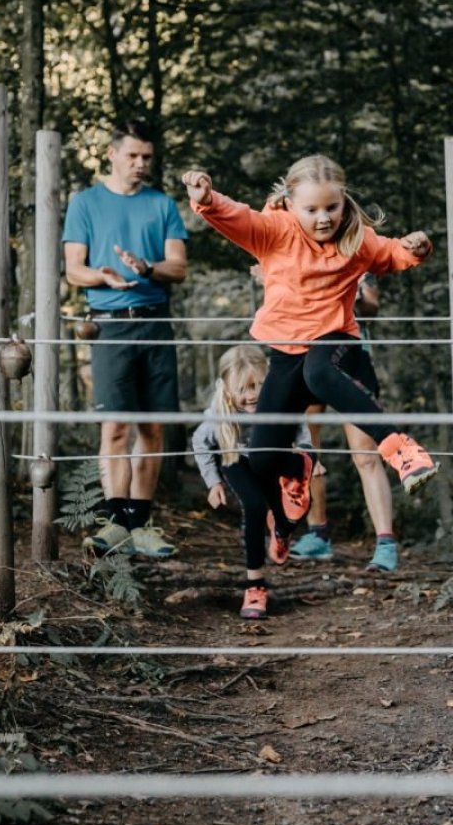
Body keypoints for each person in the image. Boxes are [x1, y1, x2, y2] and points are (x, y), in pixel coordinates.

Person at [180, 154, 439, 568]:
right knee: (262, 456)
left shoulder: (355, 237)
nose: (323, 218)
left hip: (335, 339)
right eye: (312, 209)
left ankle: (400, 448)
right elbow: (238, 217)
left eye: (331, 207)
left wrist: (416, 249)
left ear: (344, 202)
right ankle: (283, 520)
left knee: (320, 372)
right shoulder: (275, 231)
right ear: (290, 203)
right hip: (285, 350)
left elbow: (391, 254)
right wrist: (207, 200)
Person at [63, 119, 188, 555]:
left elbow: (179, 266)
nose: (140, 164)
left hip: (155, 321)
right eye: (132, 155)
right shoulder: (85, 203)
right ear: (112, 154)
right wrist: (102, 275)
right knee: (115, 426)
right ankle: (115, 525)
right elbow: (73, 268)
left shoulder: (162, 205)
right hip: (109, 322)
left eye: (147, 158)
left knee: (153, 427)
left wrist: (146, 268)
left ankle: (142, 526)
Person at [191, 345, 319, 619]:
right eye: (244, 389)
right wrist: (213, 483)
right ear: (227, 388)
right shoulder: (220, 412)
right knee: (254, 507)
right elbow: (200, 442)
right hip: (234, 458)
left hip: (271, 458)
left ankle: (282, 528)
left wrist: (308, 453)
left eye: (259, 385)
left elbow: (299, 425)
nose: (252, 396)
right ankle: (255, 586)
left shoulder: (278, 399)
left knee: (291, 510)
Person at [293, 274, 402, 572]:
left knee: (365, 455)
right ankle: (318, 534)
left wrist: (355, 301)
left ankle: (385, 544)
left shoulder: (360, 255)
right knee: (307, 451)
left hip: (353, 357)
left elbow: (372, 307)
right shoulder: (295, 249)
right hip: (304, 353)